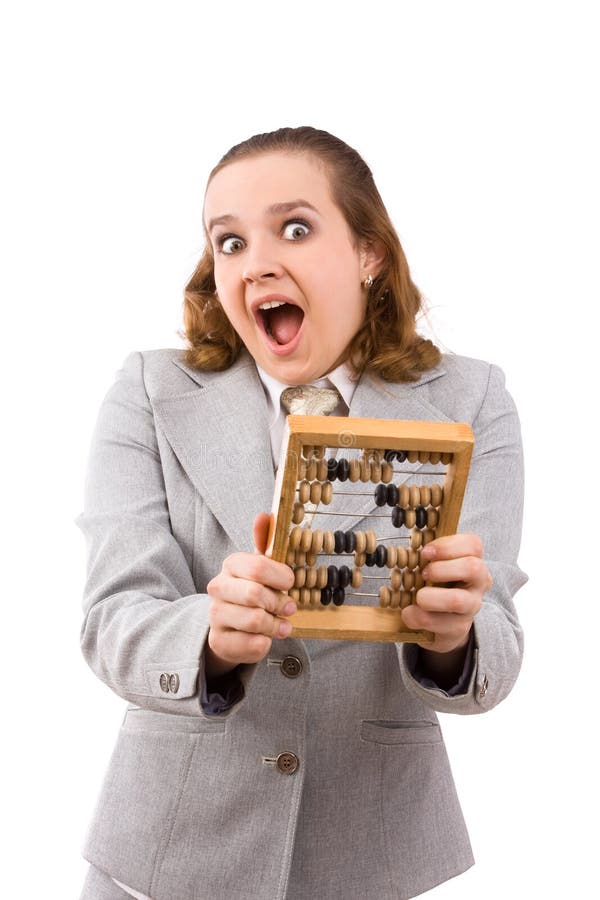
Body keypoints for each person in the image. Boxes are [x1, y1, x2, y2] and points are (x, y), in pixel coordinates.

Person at [77, 126, 527, 900]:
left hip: (371, 852)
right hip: (167, 855)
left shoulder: (470, 400)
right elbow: (111, 619)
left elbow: (499, 643)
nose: (257, 263)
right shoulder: (150, 394)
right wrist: (210, 640)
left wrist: (452, 637)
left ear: (368, 253)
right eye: (228, 241)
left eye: (295, 227)